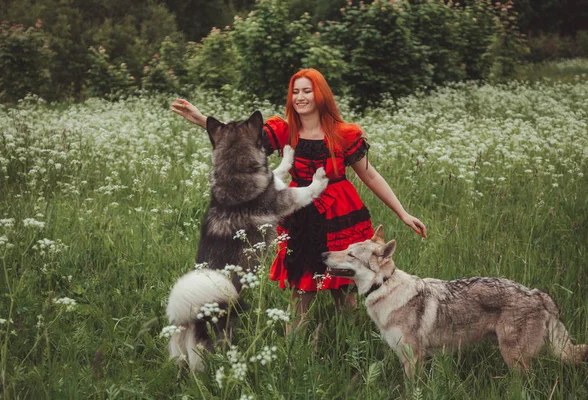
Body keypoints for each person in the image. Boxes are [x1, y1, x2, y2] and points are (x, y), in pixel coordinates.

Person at [172, 68, 427, 334]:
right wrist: (203, 120)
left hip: (340, 215)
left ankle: (350, 346)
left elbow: (371, 176)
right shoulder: (284, 130)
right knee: (301, 288)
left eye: (307, 91)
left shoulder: (344, 134)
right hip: (301, 214)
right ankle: (297, 351)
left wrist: (402, 212)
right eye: (295, 92)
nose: (300, 97)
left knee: (344, 292)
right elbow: (241, 139)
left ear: (321, 95)